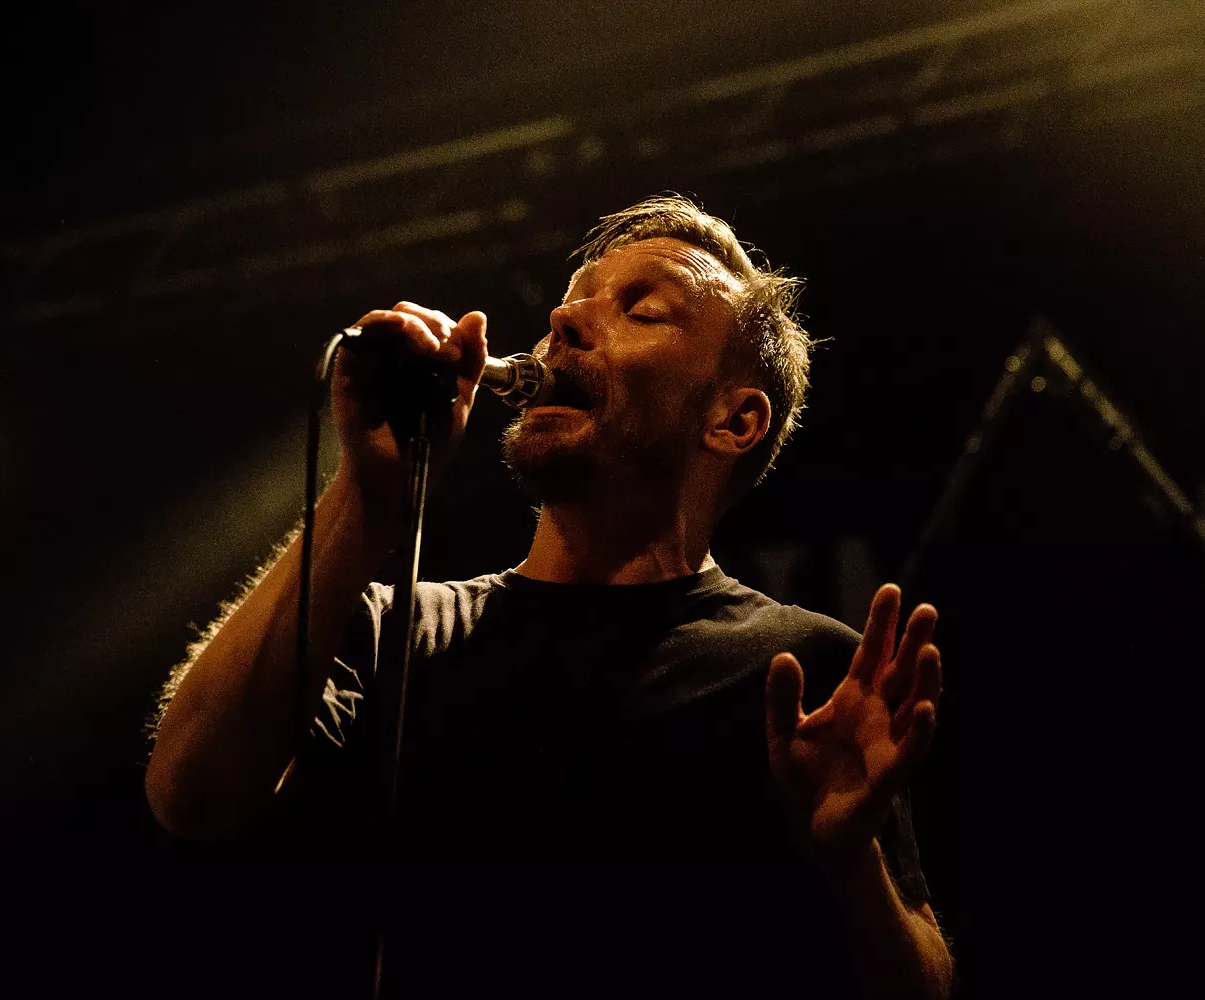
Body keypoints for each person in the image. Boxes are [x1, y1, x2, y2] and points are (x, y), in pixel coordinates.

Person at [146, 194, 954, 998]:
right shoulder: (396, 630)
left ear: (733, 420)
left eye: (643, 310)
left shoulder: (800, 670)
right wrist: (369, 494)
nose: (564, 322)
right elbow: (191, 792)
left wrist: (851, 864)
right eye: (571, 302)